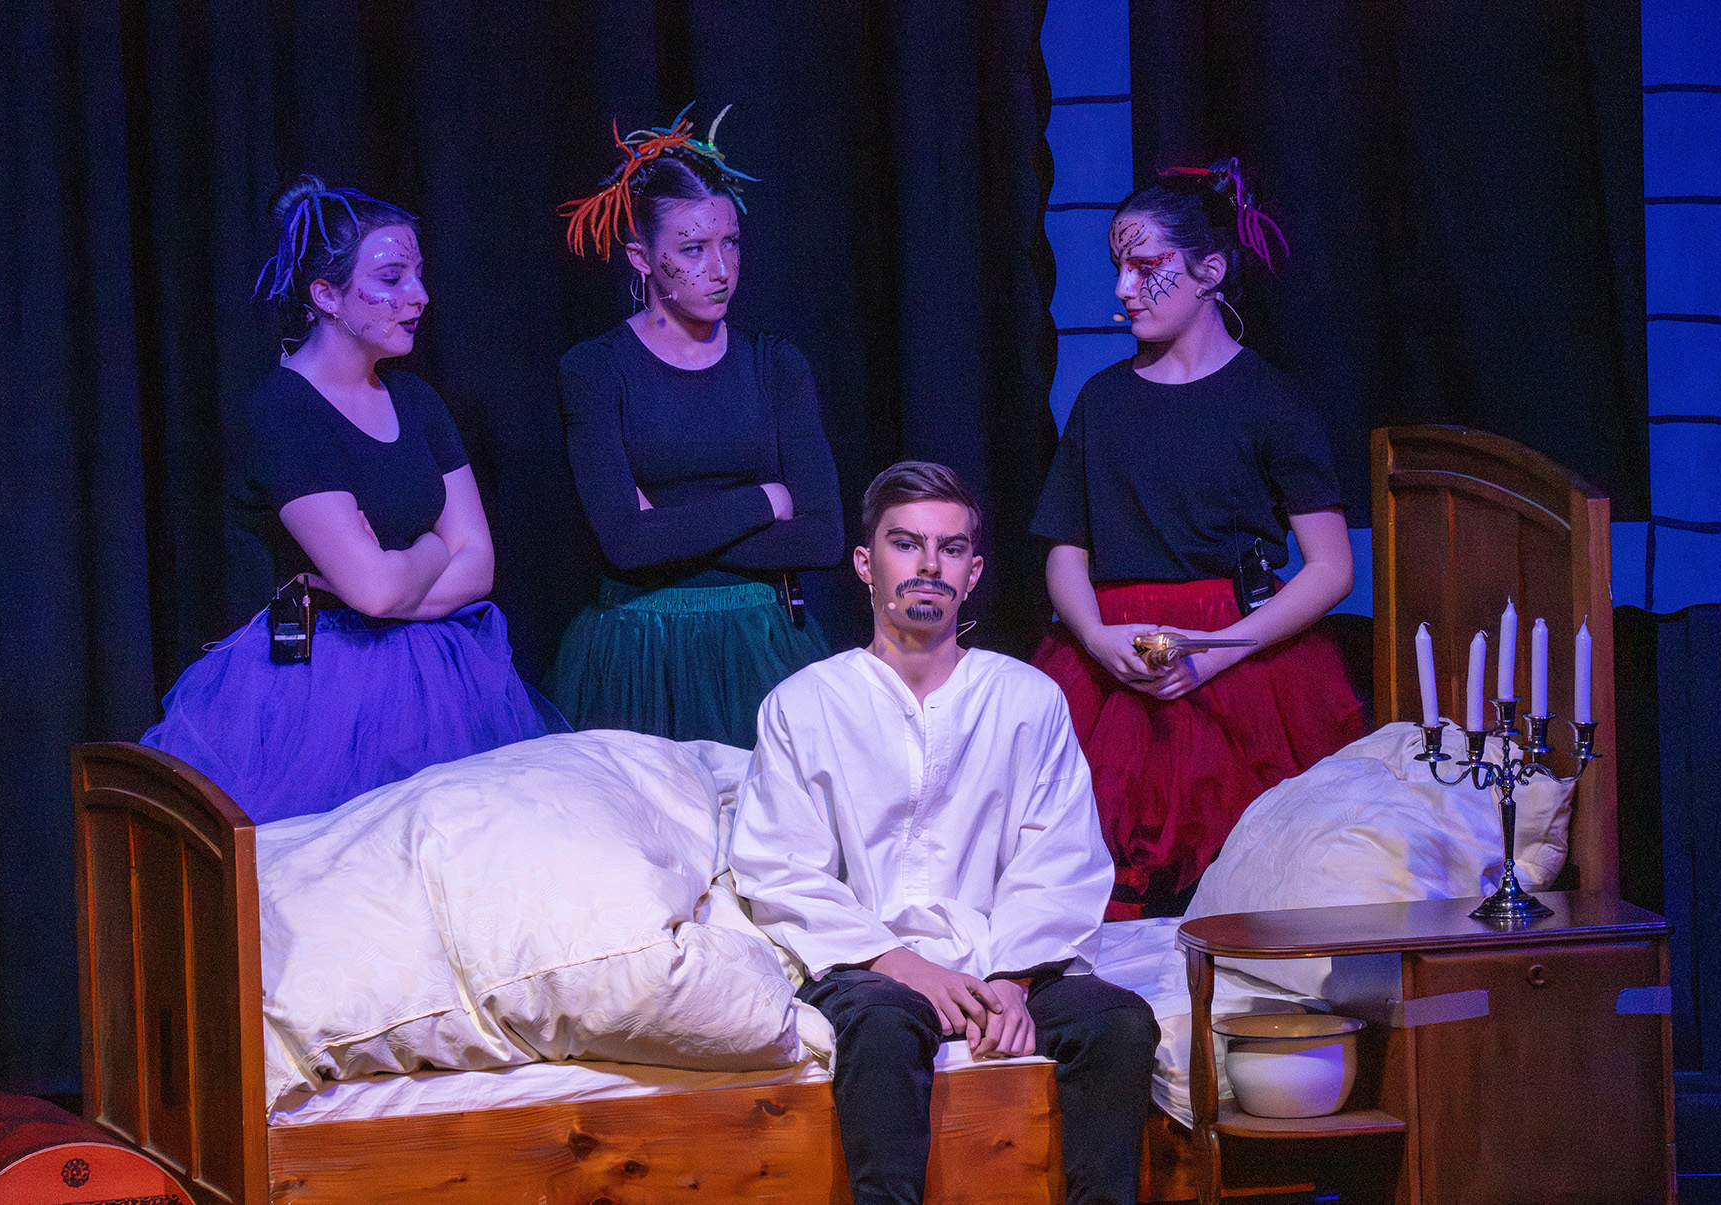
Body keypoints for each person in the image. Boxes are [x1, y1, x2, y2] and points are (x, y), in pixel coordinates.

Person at [731, 462, 1158, 1205]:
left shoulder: (1027, 699)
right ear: (866, 565)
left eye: (950, 548)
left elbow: (1058, 853)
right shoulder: (805, 704)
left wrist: (1012, 980)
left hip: (1006, 957)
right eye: (906, 544)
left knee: (1117, 1021)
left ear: (973, 572)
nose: (929, 565)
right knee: (883, 1026)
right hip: (869, 962)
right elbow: (780, 867)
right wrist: (901, 963)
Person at [142, 175, 563, 824]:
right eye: (391, 278)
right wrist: (432, 546)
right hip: (323, 682)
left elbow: (478, 564)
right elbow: (372, 592)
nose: (418, 296)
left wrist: (397, 572)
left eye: (418, 275)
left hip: (442, 674)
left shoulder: (417, 401)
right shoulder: (285, 411)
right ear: (326, 295)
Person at [1031, 159, 1365, 920]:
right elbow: (1065, 548)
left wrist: (1219, 651)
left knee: (1248, 879)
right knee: (1097, 872)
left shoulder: (1270, 400)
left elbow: (1331, 567)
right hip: (1115, 653)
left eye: (1145, 267)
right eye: (1117, 268)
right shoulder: (1103, 400)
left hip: (1237, 657)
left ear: (1209, 271)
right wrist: (1095, 635)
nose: (1123, 288)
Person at [545, 106, 844, 747]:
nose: (720, 267)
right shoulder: (595, 370)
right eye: (692, 248)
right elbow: (624, 544)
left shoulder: (775, 364)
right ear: (641, 258)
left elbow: (823, 538)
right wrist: (764, 501)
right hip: (637, 650)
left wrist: (667, 531)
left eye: (729, 242)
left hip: (762, 641)